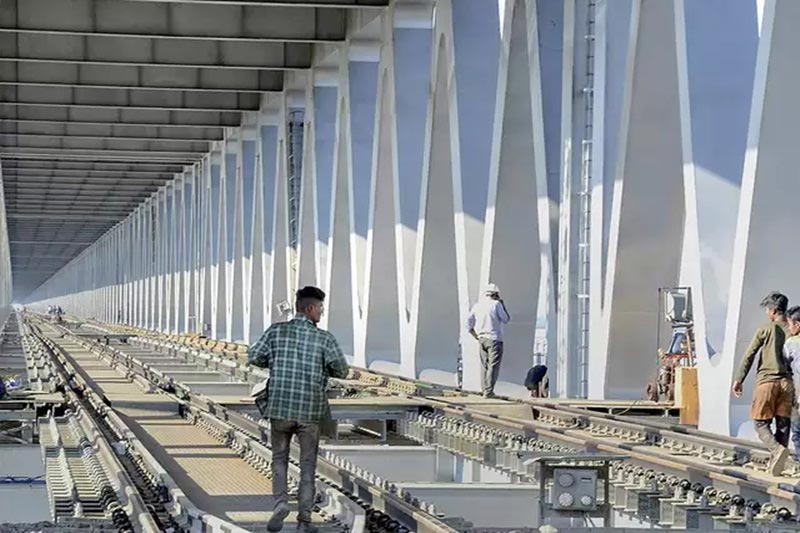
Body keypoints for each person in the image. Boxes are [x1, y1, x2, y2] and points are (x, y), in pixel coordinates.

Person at [248, 286, 349, 533]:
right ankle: (304, 521)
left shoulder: (276, 331)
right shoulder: (325, 338)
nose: (321, 313)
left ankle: (281, 503)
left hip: (280, 407)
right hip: (310, 411)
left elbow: (254, 356)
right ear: (310, 308)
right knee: (307, 465)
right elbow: (342, 370)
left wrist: (276, 361)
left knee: (279, 459)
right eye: (320, 308)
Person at [732, 291, 794, 476]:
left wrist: (739, 379)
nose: (767, 313)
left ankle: (776, 450)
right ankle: (776, 465)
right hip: (788, 383)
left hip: (767, 382)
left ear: (773, 311)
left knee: (760, 423)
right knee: (783, 424)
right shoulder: (793, 330)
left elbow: (749, 355)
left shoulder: (765, 329)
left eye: (767, 309)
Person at [465, 283, 511, 398]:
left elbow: (468, 322)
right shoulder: (496, 304)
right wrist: (502, 304)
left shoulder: (478, 305)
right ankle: (489, 391)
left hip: (482, 339)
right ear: (495, 294)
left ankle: (484, 389)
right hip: (494, 339)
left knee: (484, 366)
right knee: (493, 366)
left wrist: (475, 335)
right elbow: (506, 319)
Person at [782, 306, 800, 460]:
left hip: (798, 395)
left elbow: (785, 365)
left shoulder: (792, 343)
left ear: (797, 325)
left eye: (789, 324)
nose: (789, 328)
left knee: (798, 432)